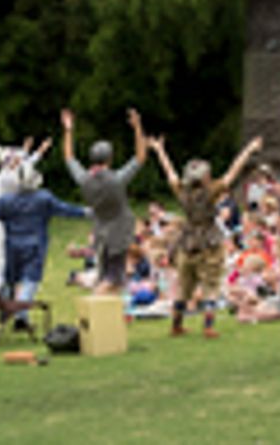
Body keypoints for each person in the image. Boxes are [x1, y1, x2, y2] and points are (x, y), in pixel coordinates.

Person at [149, 134, 264, 338]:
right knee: (211, 285)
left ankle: (176, 325)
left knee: (184, 287)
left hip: (187, 241)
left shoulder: (182, 192)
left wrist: (160, 150)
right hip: (209, 242)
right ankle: (208, 326)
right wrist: (249, 150)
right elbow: (233, 171)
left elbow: (169, 172)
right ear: (204, 177)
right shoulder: (211, 192)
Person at [0, 156, 89, 331]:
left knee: (10, 279)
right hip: (35, 246)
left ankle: (5, 309)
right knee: (29, 280)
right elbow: (67, 210)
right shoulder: (44, 199)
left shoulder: (6, 201)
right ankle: (20, 315)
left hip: (12, 246)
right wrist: (87, 212)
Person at [63, 107, 148, 293]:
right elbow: (140, 157)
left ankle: (106, 318)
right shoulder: (117, 179)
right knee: (113, 279)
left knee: (109, 277)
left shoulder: (84, 179)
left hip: (100, 232)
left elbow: (69, 158)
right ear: (109, 158)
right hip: (119, 234)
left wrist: (68, 130)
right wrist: (137, 127)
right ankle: (93, 308)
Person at [0, 137, 52, 290]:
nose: (17, 162)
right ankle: (5, 288)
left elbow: (24, 164)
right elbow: (25, 168)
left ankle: (12, 287)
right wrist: (30, 151)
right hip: (6, 224)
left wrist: (36, 150)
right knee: (2, 258)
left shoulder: (4, 175)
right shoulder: (6, 179)